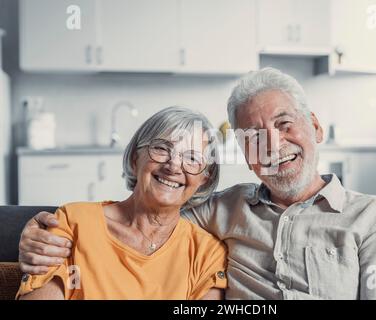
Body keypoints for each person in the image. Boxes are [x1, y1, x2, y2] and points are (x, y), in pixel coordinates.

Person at [18, 68, 376, 300]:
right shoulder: (223, 210)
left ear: (314, 127)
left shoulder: (372, 218)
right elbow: (149, 211)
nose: (273, 145)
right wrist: (34, 230)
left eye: (284, 124)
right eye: (254, 137)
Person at [16, 106, 227, 300]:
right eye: (162, 149)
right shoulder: (72, 222)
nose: (173, 166)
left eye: (192, 158)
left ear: (204, 179)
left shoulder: (206, 252)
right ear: (136, 159)